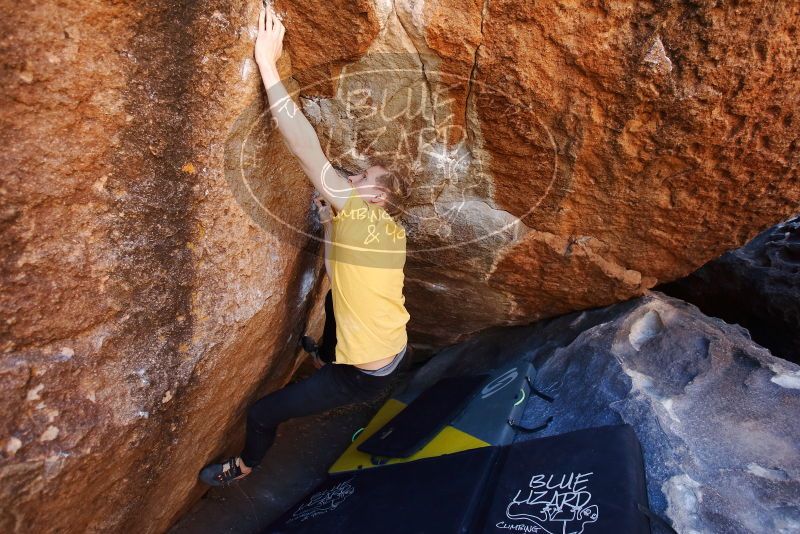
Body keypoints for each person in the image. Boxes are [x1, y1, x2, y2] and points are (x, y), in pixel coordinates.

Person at [199, 4, 413, 487]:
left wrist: (268, 64)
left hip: (363, 374)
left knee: (263, 411)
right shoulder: (390, 231)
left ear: (377, 197)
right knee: (338, 302)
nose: (349, 177)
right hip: (392, 341)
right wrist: (328, 219)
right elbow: (344, 263)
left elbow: (304, 145)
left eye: (361, 178)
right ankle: (325, 354)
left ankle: (244, 467)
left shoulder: (358, 214)